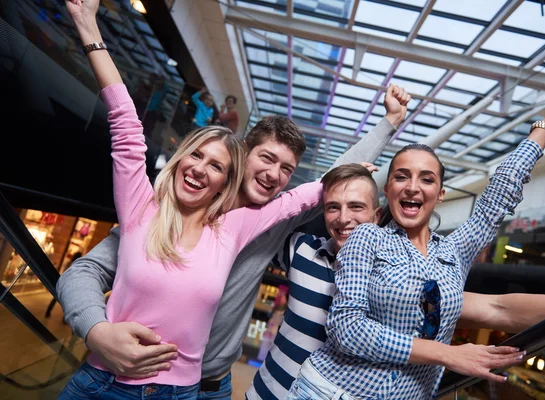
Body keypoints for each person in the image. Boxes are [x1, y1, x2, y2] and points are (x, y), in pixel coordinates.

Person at [57, 63, 410, 400]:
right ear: (242, 152)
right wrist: (96, 331)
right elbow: (84, 271)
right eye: (267, 159)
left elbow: (330, 181)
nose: (274, 174)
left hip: (212, 384)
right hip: (129, 376)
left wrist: (389, 122)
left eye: (286, 169)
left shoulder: (272, 221)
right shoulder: (170, 210)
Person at [58, 1, 325, 398]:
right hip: (103, 383)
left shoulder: (233, 229)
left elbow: (306, 195)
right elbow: (127, 127)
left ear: (224, 182)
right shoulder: (141, 210)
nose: (201, 168)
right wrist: (87, 25)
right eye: (195, 155)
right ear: (179, 160)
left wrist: (365, 175)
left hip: (180, 393)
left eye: (216, 166)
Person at [286, 80, 545, 400]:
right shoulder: (367, 238)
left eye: (426, 179)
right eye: (402, 176)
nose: (413, 187)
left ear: (440, 195)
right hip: (330, 392)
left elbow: (499, 195)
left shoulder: (454, 252)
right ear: (388, 191)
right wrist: (446, 354)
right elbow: (347, 330)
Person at [247, 163, 545, 400]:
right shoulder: (301, 251)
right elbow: (256, 227)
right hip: (267, 391)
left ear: (376, 216)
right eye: (333, 208)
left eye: (356, 207)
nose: (344, 218)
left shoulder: (401, 286)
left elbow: (500, 306)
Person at [45, 251, 83, 318]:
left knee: (55, 298)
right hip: (70, 285)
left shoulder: (69, 263)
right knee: (68, 302)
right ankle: (64, 318)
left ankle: (48, 312)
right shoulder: (77, 265)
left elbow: (64, 272)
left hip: (62, 283)